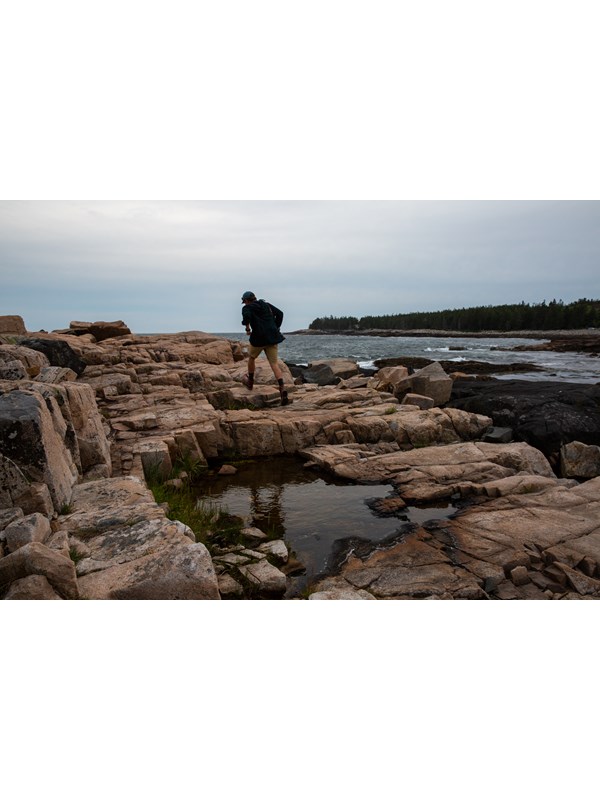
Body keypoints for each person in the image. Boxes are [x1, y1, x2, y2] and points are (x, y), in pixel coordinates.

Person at [240, 290, 289, 405]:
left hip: (258, 339)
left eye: (244, 302)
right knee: (274, 363)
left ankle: (250, 381)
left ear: (246, 300)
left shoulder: (247, 308)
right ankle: (282, 387)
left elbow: (246, 319)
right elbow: (280, 314)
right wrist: (275, 327)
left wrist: (247, 328)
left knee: (251, 358)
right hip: (272, 337)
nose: (244, 304)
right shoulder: (266, 305)